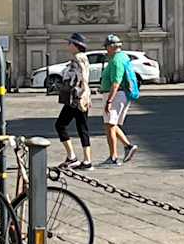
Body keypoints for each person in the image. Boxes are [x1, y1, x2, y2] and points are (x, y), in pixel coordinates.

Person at [99, 32, 139, 166]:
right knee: (111, 124)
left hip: (116, 95)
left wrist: (109, 101)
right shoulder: (123, 57)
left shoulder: (116, 61)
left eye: (106, 47)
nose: (106, 50)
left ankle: (113, 157)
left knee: (110, 126)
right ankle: (128, 146)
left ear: (111, 47)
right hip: (120, 95)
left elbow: (116, 82)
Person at [55, 33, 94, 169]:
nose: (68, 45)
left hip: (76, 98)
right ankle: (87, 160)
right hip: (82, 97)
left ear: (76, 45)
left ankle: (72, 157)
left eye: (70, 43)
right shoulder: (84, 57)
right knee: (82, 127)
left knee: (60, 125)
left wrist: (82, 92)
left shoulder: (78, 58)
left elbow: (81, 77)